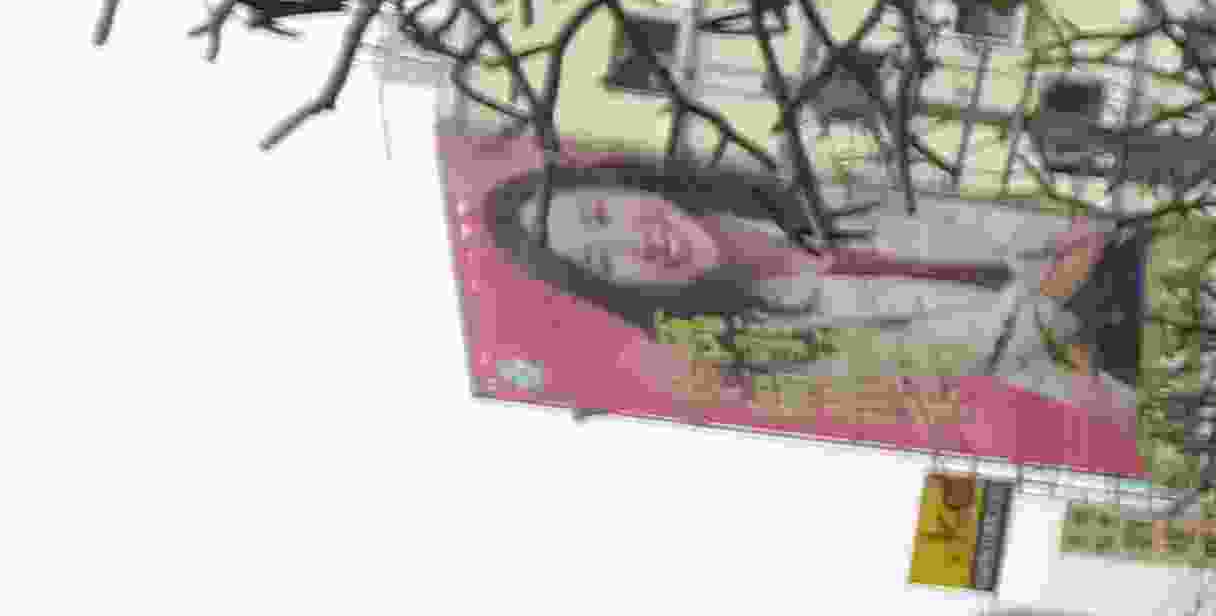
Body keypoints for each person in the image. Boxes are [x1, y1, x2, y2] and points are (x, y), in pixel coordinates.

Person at [477, 153, 1147, 403]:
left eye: (600, 215)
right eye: (604, 262)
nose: (635, 241)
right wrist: (1059, 289)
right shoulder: (768, 346)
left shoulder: (798, 173)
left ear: (622, 185)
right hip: (1116, 354)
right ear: (621, 291)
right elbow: (969, 349)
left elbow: (988, 191)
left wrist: (1074, 239)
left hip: (1132, 242)